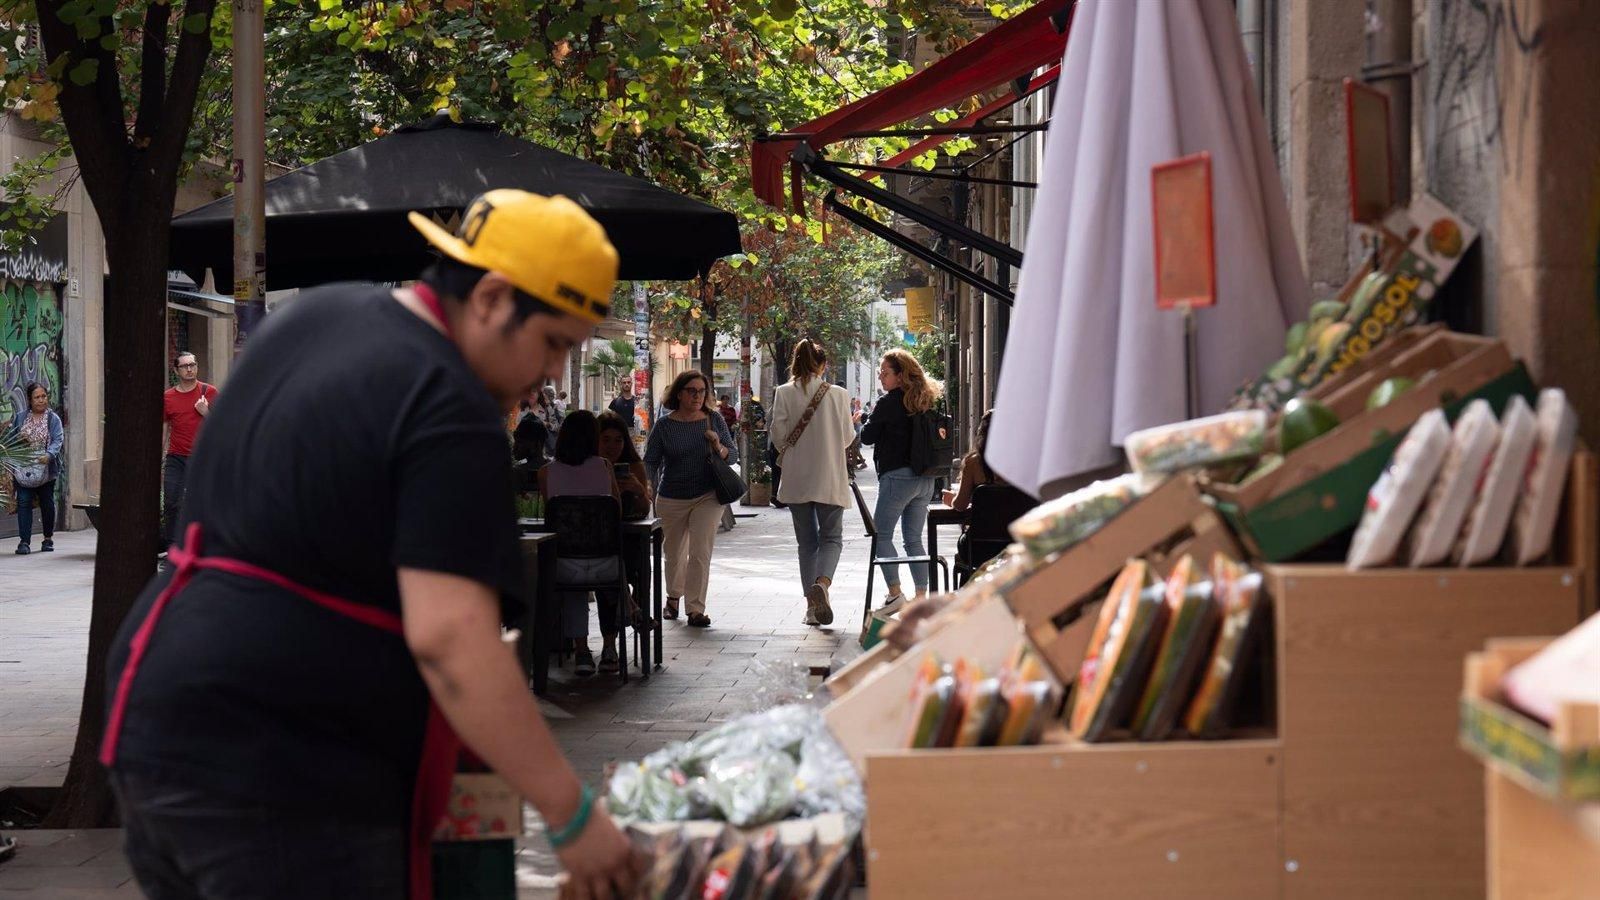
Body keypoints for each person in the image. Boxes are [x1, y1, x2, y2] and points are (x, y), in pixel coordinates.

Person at [102, 190, 643, 899]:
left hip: (158, 720)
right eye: (553, 343)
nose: (550, 373)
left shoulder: (321, 317)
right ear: (491, 297)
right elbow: (452, 638)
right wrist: (571, 816)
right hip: (288, 763)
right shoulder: (449, 402)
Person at [644, 369, 737, 628]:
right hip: (672, 496)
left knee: (700, 552)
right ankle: (674, 596)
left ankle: (695, 608)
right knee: (673, 553)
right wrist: (647, 483)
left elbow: (734, 455)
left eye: (702, 391)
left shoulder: (713, 420)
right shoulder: (665, 425)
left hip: (707, 495)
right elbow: (651, 460)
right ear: (679, 393)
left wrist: (718, 445)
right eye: (691, 391)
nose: (697, 396)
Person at [768, 341, 852, 627]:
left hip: (796, 479)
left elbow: (777, 434)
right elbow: (848, 437)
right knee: (832, 538)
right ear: (823, 365)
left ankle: (811, 609)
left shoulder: (783, 393)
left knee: (807, 543)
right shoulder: (838, 395)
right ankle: (823, 585)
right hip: (829, 476)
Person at [538, 411, 627, 677]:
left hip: (564, 564)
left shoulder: (545, 473)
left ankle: (582, 651)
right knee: (608, 583)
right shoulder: (604, 467)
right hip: (605, 563)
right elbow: (616, 513)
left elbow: (552, 516)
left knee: (573, 589)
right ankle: (609, 648)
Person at [860, 349, 942, 606]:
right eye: (879, 373)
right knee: (913, 540)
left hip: (897, 478)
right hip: (925, 479)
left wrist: (862, 421)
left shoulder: (888, 402)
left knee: (881, 535)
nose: (882, 378)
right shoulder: (923, 401)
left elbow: (867, 437)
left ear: (900, 376)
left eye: (885, 373)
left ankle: (895, 593)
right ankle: (921, 598)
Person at [161, 351, 217, 544]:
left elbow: (222, 426)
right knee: (171, 502)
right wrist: (160, 456)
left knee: (203, 503)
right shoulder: (168, 397)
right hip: (175, 457)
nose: (190, 369)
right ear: (176, 370)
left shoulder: (209, 392)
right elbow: (165, 427)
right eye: (185, 366)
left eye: (192, 364)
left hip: (203, 457)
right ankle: (173, 549)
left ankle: (202, 547)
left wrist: (205, 412)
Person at [8, 382, 63, 555]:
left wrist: (49, 455)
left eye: (43, 396)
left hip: (46, 470)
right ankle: (24, 541)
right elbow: (11, 439)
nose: (41, 400)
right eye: (37, 397)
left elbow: (57, 440)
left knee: (47, 503)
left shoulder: (53, 419)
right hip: (24, 469)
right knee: (24, 502)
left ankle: (47, 538)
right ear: (30, 400)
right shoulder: (20, 418)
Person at [598, 411, 651, 521]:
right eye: (606, 440)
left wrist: (639, 491)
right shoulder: (588, 467)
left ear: (625, 442)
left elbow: (644, 511)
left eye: (618, 440)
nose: (612, 446)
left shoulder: (635, 467)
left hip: (628, 532)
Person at [947, 410, 1006, 511]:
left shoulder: (972, 463)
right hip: (1018, 526)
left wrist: (951, 499)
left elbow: (960, 505)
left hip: (984, 525)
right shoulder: (1021, 461)